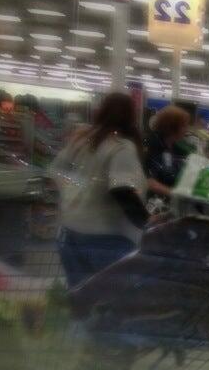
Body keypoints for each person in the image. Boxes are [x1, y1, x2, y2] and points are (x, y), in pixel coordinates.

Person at [51, 92, 152, 289]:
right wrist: (149, 223)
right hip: (107, 238)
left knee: (80, 296)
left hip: (70, 233)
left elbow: (56, 170)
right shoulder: (121, 147)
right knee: (112, 299)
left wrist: (75, 192)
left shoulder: (82, 139)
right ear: (131, 115)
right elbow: (122, 190)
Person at [143, 103, 192, 209]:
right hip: (153, 205)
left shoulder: (174, 148)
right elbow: (149, 181)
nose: (187, 130)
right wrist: (175, 193)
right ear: (172, 126)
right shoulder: (152, 146)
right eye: (184, 125)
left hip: (168, 203)